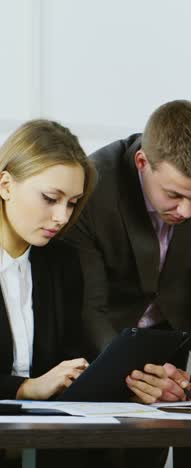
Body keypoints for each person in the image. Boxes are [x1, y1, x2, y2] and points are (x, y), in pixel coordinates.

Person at [65, 99, 191, 399]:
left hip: (173, 330)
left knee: (158, 437)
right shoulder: (92, 182)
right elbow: (90, 306)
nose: (187, 211)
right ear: (142, 163)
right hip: (102, 338)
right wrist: (137, 375)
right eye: (173, 194)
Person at [0, 119, 96, 466]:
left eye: (72, 203)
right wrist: (24, 388)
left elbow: (69, 353)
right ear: (6, 184)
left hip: (42, 436)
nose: (62, 217)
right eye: (50, 198)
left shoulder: (61, 261)